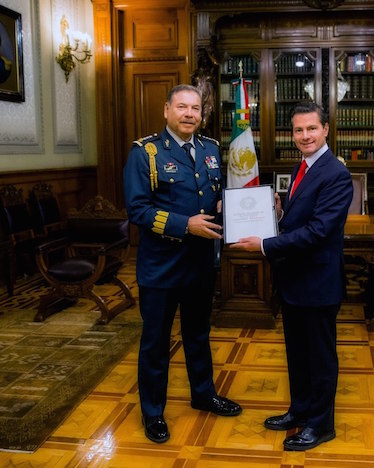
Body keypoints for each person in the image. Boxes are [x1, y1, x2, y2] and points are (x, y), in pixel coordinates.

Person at [123, 84, 242, 444]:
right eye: (182, 107)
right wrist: (184, 224)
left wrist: (223, 205)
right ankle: (153, 412)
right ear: (166, 110)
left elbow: (212, 194)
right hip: (161, 266)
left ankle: (203, 394)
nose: (190, 114)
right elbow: (138, 210)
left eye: (195, 108)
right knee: (156, 342)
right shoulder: (146, 152)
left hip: (200, 263)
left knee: (198, 334)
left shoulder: (210, 148)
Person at [231, 101, 353, 451]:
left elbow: (318, 232)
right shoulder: (303, 165)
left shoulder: (336, 173)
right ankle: (300, 411)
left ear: (326, 129)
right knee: (298, 354)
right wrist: (279, 213)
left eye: (311, 128)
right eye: (298, 130)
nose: (305, 135)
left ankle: (321, 424)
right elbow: (300, 220)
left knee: (320, 359)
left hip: (318, 283)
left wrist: (265, 244)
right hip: (295, 281)